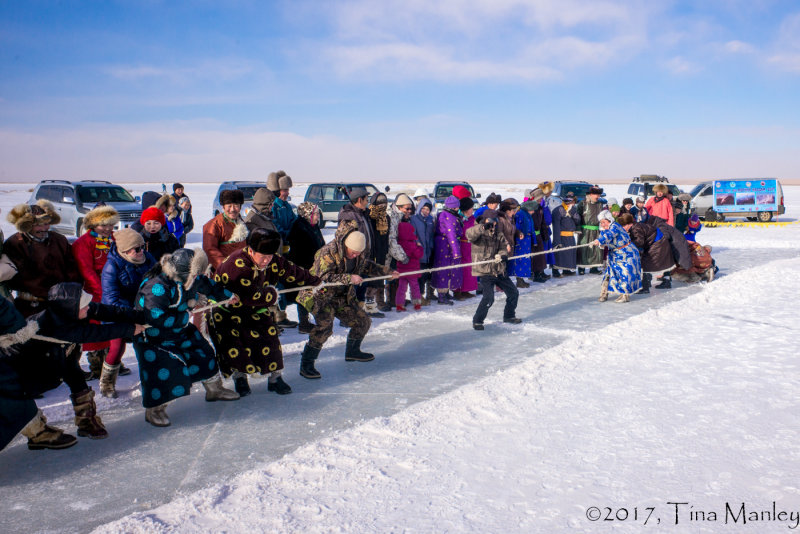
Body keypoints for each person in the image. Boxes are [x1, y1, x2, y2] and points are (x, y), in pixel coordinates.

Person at [5, 282, 145, 442]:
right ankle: (38, 433)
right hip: (26, 368)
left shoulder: (74, 309)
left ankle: (87, 420)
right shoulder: (53, 326)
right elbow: (93, 333)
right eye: (83, 306)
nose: (88, 308)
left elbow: (105, 310)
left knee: (75, 375)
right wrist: (129, 329)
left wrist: (137, 315)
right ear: (70, 308)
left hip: (58, 357)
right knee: (22, 399)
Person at [133, 249, 240, 427]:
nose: (198, 277)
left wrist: (227, 296)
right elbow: (155, 316)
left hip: (181, 330)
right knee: (165, 370)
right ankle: (155, 409)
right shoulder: (156, 286)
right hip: (154, 338)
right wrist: (184, 317)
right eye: (195, 274)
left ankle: (214, 389)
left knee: (203, 353)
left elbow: (208, 285)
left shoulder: (193, 277)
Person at [209, 229, 322, 397]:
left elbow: (292, 271)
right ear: (251, 251)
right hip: (228, 312)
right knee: (236, 346)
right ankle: (240, 378)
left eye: (270, 256)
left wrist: (315, 281)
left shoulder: (273, 261)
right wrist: (272, 294)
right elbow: (248, 295)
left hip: (256, 308)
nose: (266, 261)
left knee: (270, 339)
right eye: (263, 256)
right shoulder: (236, 264)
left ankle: (275, 379)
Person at [295, 229, 399, 379]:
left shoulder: (358, 255)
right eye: (353, 252)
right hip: (319, 295)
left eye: (359, 252)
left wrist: (388, 272)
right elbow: (321, 277)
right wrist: (348, 278)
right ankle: (307, 363)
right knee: (325, 326)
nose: (356, 255)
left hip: (341, 296)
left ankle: (352, 352)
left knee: (363, 321)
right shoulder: (327, 253)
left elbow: (368, 266)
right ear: (345, 245)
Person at [99, 228, 157, 397]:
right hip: (118, 313)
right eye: (137, 249)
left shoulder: (148, 259)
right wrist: (132, 314)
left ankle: (152, 377)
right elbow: (111, 299)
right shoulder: (111, 267)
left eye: (142, 247)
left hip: (143, 309)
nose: (141, 251)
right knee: (117, 347)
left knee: (149, 344)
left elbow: (158, 281)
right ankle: (107, 382)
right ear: (124, 251)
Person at [72, 205, 127, 381]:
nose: (109, 229)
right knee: (95, 331)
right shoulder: (83, 243)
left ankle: (113, 361)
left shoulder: (114, 239)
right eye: (104, 225)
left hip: (114, 291)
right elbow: (86, 270)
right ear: (93, 224)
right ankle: (96, 365)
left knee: (114, 328)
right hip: (94, 294)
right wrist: (102, 291)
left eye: (111, 225)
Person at [3, 200, 81, 317]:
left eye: (47, 223)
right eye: (39, 224)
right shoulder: (15, 243)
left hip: (62, 303)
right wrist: (48, 292)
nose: (45, 228)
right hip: (30, 306)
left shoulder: (59, 240)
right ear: (27, 225)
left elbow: (72, 269)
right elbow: (17, 279)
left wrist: (72, 292)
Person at [465, 209, 521, 330]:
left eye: (495, 221)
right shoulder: (478, 231)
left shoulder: (498, 232)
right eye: (491, 221)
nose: (494, 224)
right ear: (485, 220)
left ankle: (509, 316)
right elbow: (469, 235)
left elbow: (504, 246)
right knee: (489, 297)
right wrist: (482, 227)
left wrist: (501, 255)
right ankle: (478, 320)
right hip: (485, 270)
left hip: (498, 269)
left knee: (513, 293)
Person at [286, 202, 326, 333]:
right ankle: (303, 323)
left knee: (313, 293)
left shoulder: (313, 226)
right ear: (307, 214)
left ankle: (312, 320)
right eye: (315, 214)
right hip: (303, 267)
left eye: (317, 214)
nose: (317, 216)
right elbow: (300, 251)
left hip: (314, 267)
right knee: (303, 294)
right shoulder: (299, 228)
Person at [590, 210, 642, 303]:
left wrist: (600, 240)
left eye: (604, 222)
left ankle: (625, 295)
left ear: (609, 220)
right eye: (601, 223)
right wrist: (598, 243)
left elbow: (609, 236)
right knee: (608, 273)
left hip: (627, 254)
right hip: (614, 255)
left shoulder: (615, 226)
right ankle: (604, 293)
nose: (602, 224)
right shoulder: (603, 229)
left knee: (625, 274)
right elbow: (605, 241)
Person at [618, 212, 673, 294]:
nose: (622, 228)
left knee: (646, 263)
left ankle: (645, 287)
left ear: (629, 224)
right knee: (645, 261)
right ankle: (646, 284)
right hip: (655, 241)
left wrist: (627, 244)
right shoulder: (634, 227)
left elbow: (639, 242)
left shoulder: (636, 228)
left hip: (658, 243)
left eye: (624, 226)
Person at [202, 189, 248, 271]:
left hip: (241, 269)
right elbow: (210, 251)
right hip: (223, 272)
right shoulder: (214, 225)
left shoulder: (240, 222)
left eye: (236, 205)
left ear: (240, 207)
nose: (233, 209)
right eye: (229, 206)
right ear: (223, 207)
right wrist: (227, 268)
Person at [431, 196, 463, 305]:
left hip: (444, 244)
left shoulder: (446, 214)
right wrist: (456, 252)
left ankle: (445, 293)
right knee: (444, 270)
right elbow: (451, 235)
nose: (458, 208)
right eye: (457, 206)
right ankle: (441, 296)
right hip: (446, 246)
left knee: (448, 270)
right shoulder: (449, 217)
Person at [646, 216, 692, 289]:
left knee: (669, 261)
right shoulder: (660, 224)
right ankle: (666, 279)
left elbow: (665, 236)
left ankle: (666, 281)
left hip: (677, 244)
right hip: (676, 243)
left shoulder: (660, 226)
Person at [364, 192, 390, 315]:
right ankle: (369, 307)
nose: (382, 205)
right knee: (370, 281)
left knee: (380, 279)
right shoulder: (368, 217)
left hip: (381, 253)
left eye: (384, 203)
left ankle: (380, 301)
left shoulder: (386, 218)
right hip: (370, 254)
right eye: (379, 203)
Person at [387, 193, 414, 306]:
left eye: (411, 209)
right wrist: (402, 256)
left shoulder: (401, 217)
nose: (409, 211)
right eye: (407, 208)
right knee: (390, 275)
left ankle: (397, 299)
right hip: (390, 253)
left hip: (397, 252)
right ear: (399, 207)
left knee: (397, 275)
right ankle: (389, 300)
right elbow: (391, 240)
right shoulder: (392, 217)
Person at [410, 197, 436, 305]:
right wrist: (417, 246)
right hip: (419, 252)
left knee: (426, 275)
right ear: (420, 208)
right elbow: (413, 235)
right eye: (424, 208)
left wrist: (431, 247)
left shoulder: (430, 219)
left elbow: (431, 235)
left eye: (428, 209)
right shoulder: (414, 219)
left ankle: (427, 294)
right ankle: (418, 297)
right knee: (419, 276)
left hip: (428, 252)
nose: (426, 211)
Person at [395, 220, 424, 311]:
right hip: (412, 270)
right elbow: (418, 254)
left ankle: (399, 304)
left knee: (401, 288)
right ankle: (417, 303)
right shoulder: (412, 244)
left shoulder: (398, 244)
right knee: (415, 287)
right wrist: (420, 247)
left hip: (402, 270)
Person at [550, 191, 580, 277]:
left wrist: (572, 213)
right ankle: (555, 271)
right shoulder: (558, 210)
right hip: (561, 236)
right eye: (572, 202)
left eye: (574, 202)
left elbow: (578, 221)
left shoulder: (573, 210)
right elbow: (556, 226)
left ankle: (566, 270)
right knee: (559, 254)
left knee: (569, 254)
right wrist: (557, 240)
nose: (573, 204)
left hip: (570, 236)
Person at [576, 186, 605, 274]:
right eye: (596, 195)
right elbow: (577, 216)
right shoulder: (583, 204)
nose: (598, 197)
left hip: (597, 230)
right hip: (585, 230)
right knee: (584, 248)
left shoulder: (600, 204)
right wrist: (578, 228)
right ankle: (582, 268)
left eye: (599, 195)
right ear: (591, 194)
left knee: (596, 250)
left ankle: (594, 268)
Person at [455, 197, 478, 299]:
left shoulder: (472, 218)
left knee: (469, 270)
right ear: (465, 209)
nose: (472, 210)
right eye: (471, 208)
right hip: (461, 246)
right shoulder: (458, 218)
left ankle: (466, 290)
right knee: (460, 269)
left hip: (470, 247)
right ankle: (457, 291)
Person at [267, 170, 298, 246]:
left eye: (288, 190)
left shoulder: (287, 205)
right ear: (278, 191)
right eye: (285, 190)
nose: (288, 193)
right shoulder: (273, 206)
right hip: (279, 243)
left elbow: (294, 220)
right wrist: (288, 234)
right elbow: (275, 226)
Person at [529, 189, 552, 283]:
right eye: (540, 198)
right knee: (535, 256)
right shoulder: (530, 207)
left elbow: (542, 222)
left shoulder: (539, 207)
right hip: (533, 235)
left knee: (541, 255)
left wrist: (545, 234)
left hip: (539, 235)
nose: (541, 199)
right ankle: (535, 274)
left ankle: (541, 272)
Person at [510, 200, 535, 288]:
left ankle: (521, 279)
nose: (533, 212)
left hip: (526, 241)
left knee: (525, 260)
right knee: (520, 260)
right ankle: (519, 280)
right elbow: (517, 228)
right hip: (521, 240)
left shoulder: (527, 216)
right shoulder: (520, 214)